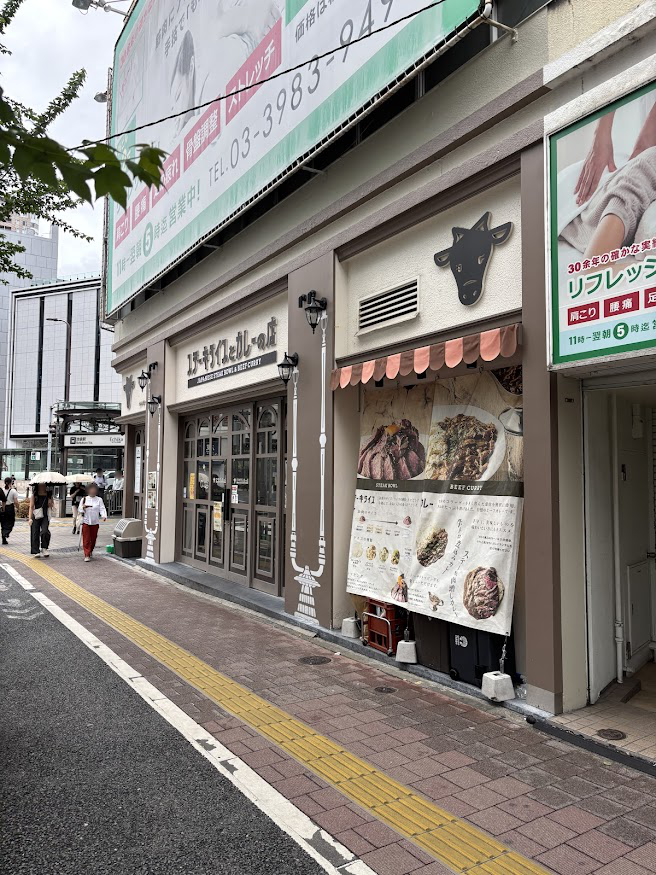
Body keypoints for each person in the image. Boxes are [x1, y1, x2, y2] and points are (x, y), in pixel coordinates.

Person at [80, 483, 107, 562]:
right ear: (88, 490)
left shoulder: (99, 499)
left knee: (93, 538)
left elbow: (102, 508)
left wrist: (104, 515)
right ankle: (87, 554)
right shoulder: (84, 499)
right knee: (86, 539)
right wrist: (83, 507)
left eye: (94, 490)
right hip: (86, 521)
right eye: (91, 489)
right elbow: (80, 509)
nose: (93, 491)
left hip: (95, 522)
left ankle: (90, 550)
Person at [29, 482, 53, 558]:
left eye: (44, 485)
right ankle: (35, 551)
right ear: (38, 486)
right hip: (36, 515)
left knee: (45, 531)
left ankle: (44, 548)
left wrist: (50, 502)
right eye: (41, 485)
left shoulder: (49, 494)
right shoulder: (34, 495)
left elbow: (51, 506)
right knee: (35, 533)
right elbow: (31, 507)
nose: (42, 486)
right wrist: (30, 518)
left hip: (45, 515)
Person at [2, 477, 18, 545]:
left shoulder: (2, 490)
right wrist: (18, 508)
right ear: (11, 483)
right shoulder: (13, 491)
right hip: (10, 508)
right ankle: (6, 532)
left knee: (3, 523)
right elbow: (16, 501)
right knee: (11, 522)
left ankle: (3, 538)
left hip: (2, 508)